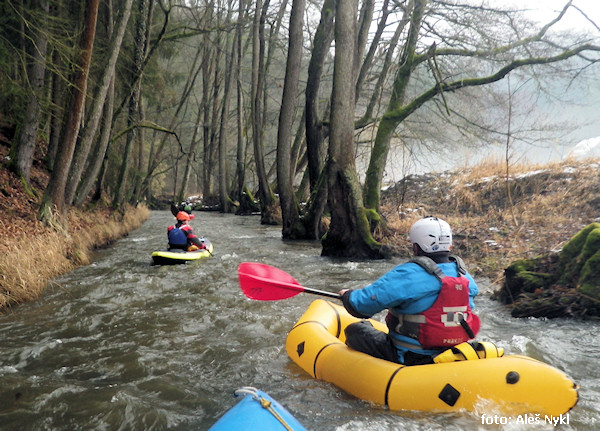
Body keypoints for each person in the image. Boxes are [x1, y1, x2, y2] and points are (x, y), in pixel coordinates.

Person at [338, 216, 480, 366]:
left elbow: (361, 306)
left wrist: (348, 296)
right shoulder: (465, 277)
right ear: (449, 245)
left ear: (416, 247)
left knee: (355, 330)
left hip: (410, 357)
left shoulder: (407, 274)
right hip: (453, 353)